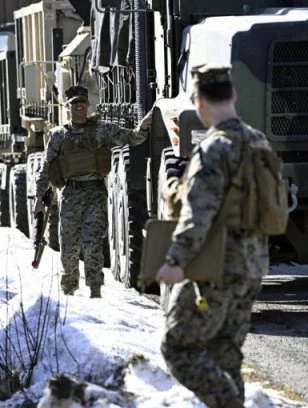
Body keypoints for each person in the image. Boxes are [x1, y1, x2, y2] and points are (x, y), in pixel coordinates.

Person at [156, 64, 270, 408]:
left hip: (217, 266)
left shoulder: (212, 149)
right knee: (225, 352)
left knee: (176, 346)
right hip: (253, 265)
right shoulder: (259, 142)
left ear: (198, 102)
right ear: (233, 95)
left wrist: (176, 261)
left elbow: (198, 214)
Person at [32, 85, 152, 298]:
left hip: (95, 193)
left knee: (93, 243)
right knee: (68, 246)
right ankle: (68, 291)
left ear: (87, 105)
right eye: (74, 104)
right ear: (67, 107)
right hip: (71, 194)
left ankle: (95, 291)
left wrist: (142, 128)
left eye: (82, 103)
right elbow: (46, 168)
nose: (78, 107)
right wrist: (40, 199)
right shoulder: (58, 136)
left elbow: (132, 138)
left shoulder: (101, 130)